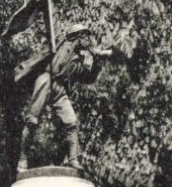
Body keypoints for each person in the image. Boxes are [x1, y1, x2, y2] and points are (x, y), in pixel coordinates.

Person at [15, 26, 112, 172]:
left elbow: (88, 79)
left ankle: (73, 159)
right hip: (46, 80)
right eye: (85, 37)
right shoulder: (60, 44)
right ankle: (22, 159)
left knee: (71, 123)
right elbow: (49, 47)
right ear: (77, 36)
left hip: (60, 89)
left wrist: (97, 62)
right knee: (32, 120)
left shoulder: (81, 59)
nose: (88, 40)